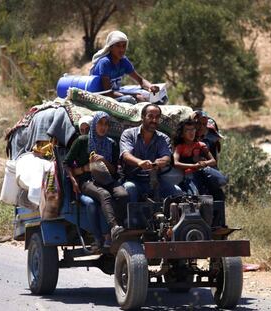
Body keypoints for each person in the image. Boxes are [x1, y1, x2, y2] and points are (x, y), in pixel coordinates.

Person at [64, 111, 127, 246]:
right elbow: (66, 163)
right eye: (100, 123)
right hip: (87, 181)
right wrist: (74, 180)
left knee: (123, 194)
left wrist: (104, 160)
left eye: (106, 124)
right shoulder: (82, 141)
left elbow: (114, 170)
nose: (103, 127)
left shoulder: (111, 143)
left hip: (107, 179)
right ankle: (113, 227)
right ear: (94, 125)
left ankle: (119, 228)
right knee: (104, 194)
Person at [120, 103, 183, 202]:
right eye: (150, 116)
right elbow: (126, 155)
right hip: (134, 180)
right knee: (129, 188)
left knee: (177, 192)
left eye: (157, 117)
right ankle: (133, 218)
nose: (154, 120)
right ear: (142, 117)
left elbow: (167, 156)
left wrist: (162, 161)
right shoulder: (128, 134)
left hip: (156, 180)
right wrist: (139, 163)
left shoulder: (163, 138)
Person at [90, 30, 159, 104]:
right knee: (131, 99)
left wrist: (151, 87)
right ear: (111, 47)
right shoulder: (105, 62)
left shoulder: (123, 60)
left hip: (117, 92)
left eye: (124, 46)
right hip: (103, 96)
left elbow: (140, 80)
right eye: (118, 46)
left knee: (157, 96)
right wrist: (135, 96)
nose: (122, 49)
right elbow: (108, 93)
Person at [173, 118, 228, 199]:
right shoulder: (180, 147)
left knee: (217, 191)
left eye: (193, 129)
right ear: (182, 134)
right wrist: (194, 166)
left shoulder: (201, 145)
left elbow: (213, 161)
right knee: (193, 196)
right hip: (189, 176)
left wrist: (204, 163)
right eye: (187, 130)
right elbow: (176, 163)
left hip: (203, 173)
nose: (191, 132)